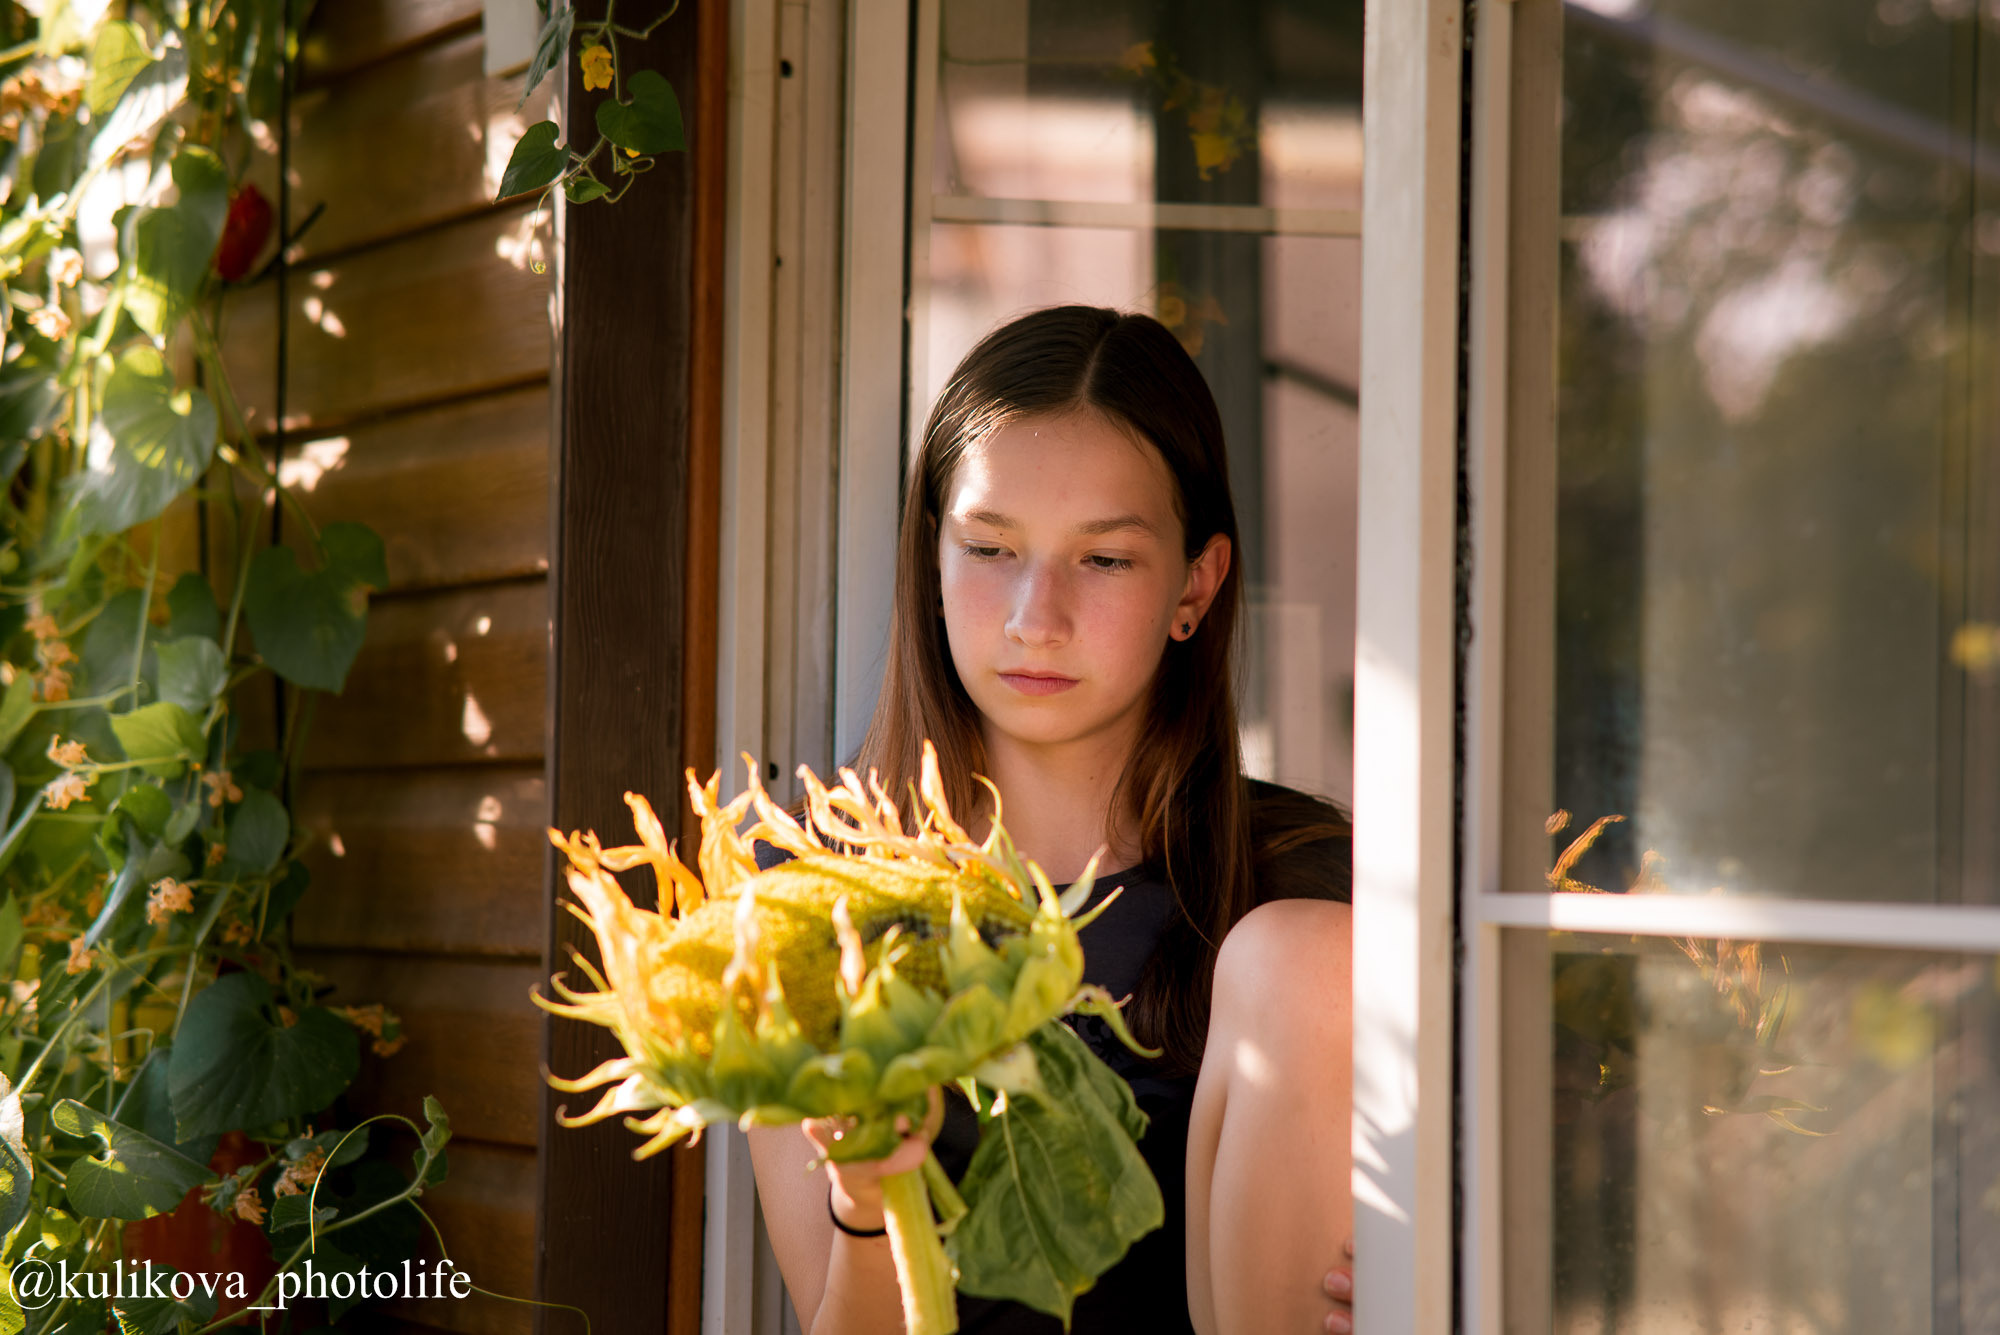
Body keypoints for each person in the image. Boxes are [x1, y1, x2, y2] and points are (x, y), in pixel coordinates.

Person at [747, 305, 1354, 1334]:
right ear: (931, 564)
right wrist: (862, 1204)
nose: (1036, 615)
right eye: (989, 548)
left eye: (1103, 560)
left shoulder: (1303, 889)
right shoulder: (814, 887)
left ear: (1193, 587)